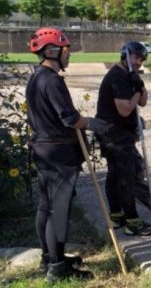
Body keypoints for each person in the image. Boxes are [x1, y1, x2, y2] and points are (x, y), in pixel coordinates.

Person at [26, 27, 110, 282]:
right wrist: (93, 123)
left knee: (45, 206)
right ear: (52, 51)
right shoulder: (51, 80)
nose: (69, 56)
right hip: (58, 154)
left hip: (43, 149)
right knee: (57, 209)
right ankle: (57, 268)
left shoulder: (35, 78)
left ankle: (49, 256)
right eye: (67, 51)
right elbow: (69, 117)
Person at [95, 41, 151, 236]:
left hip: (119, 132)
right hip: (114, 133)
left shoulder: (129, 76)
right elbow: (124, 110)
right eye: (135, 57)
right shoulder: (117, 77)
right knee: (125, 176)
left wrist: (138, 82)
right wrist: (137, 90)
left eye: (141, 59)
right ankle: (132, 221)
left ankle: (117, 215)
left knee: (115, 174)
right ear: (125, 55)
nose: (138, 62)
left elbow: (144, 101)